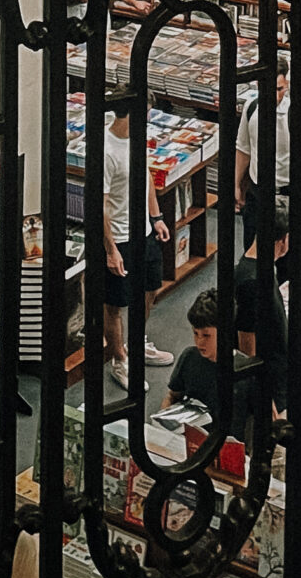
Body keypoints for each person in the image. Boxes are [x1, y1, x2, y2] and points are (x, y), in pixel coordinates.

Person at [102, 102, 172, 371]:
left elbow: (146, 177)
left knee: (150, 288)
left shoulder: (138, 137)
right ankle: (119, 360)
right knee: (115, 304)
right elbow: (100, 205)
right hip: (119, 238)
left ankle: (136, 343)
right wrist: (111, 250)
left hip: (143, 232)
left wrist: (156, 217)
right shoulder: (106, 151)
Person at [163, 286, 256, 437]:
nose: (199, 342)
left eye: (206, 336)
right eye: (195, 333)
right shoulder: (189, 357)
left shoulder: (246, 371)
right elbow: (172, 396)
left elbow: (262, 422)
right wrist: (163, 425)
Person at [233, 203, 290, 421]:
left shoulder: (264, 268)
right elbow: (247, 343)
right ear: (282, 240)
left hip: (276, 376)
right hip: (270, 386)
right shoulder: (252, 281)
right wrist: (264, 396)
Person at [232, 52, 291, 255]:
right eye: (268, 89)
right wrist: (236, 185)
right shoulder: (252, 107)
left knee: (284, 257)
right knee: (252, 250)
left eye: (279, 89)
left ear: (287, 85)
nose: (274, 95)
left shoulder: (295, 114)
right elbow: (243, 148)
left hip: (286, 195)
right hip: (258, 193)